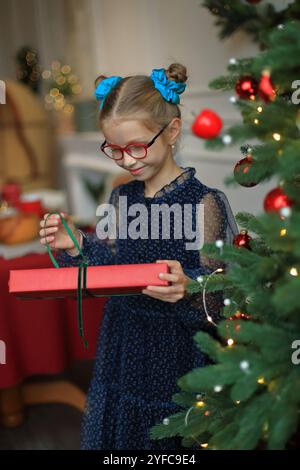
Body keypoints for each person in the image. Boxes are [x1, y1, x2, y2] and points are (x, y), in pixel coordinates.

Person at [39, 63, 238, 450]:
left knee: (168, 438)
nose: (127, 161)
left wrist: (189, 286)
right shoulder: (122, 198)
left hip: (176, 347)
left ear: (172, 131)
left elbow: (220, 296)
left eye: (136, 146)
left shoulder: (204, 204)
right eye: (114, 149)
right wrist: (76, 244)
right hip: (127, 341)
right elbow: (108, 264)